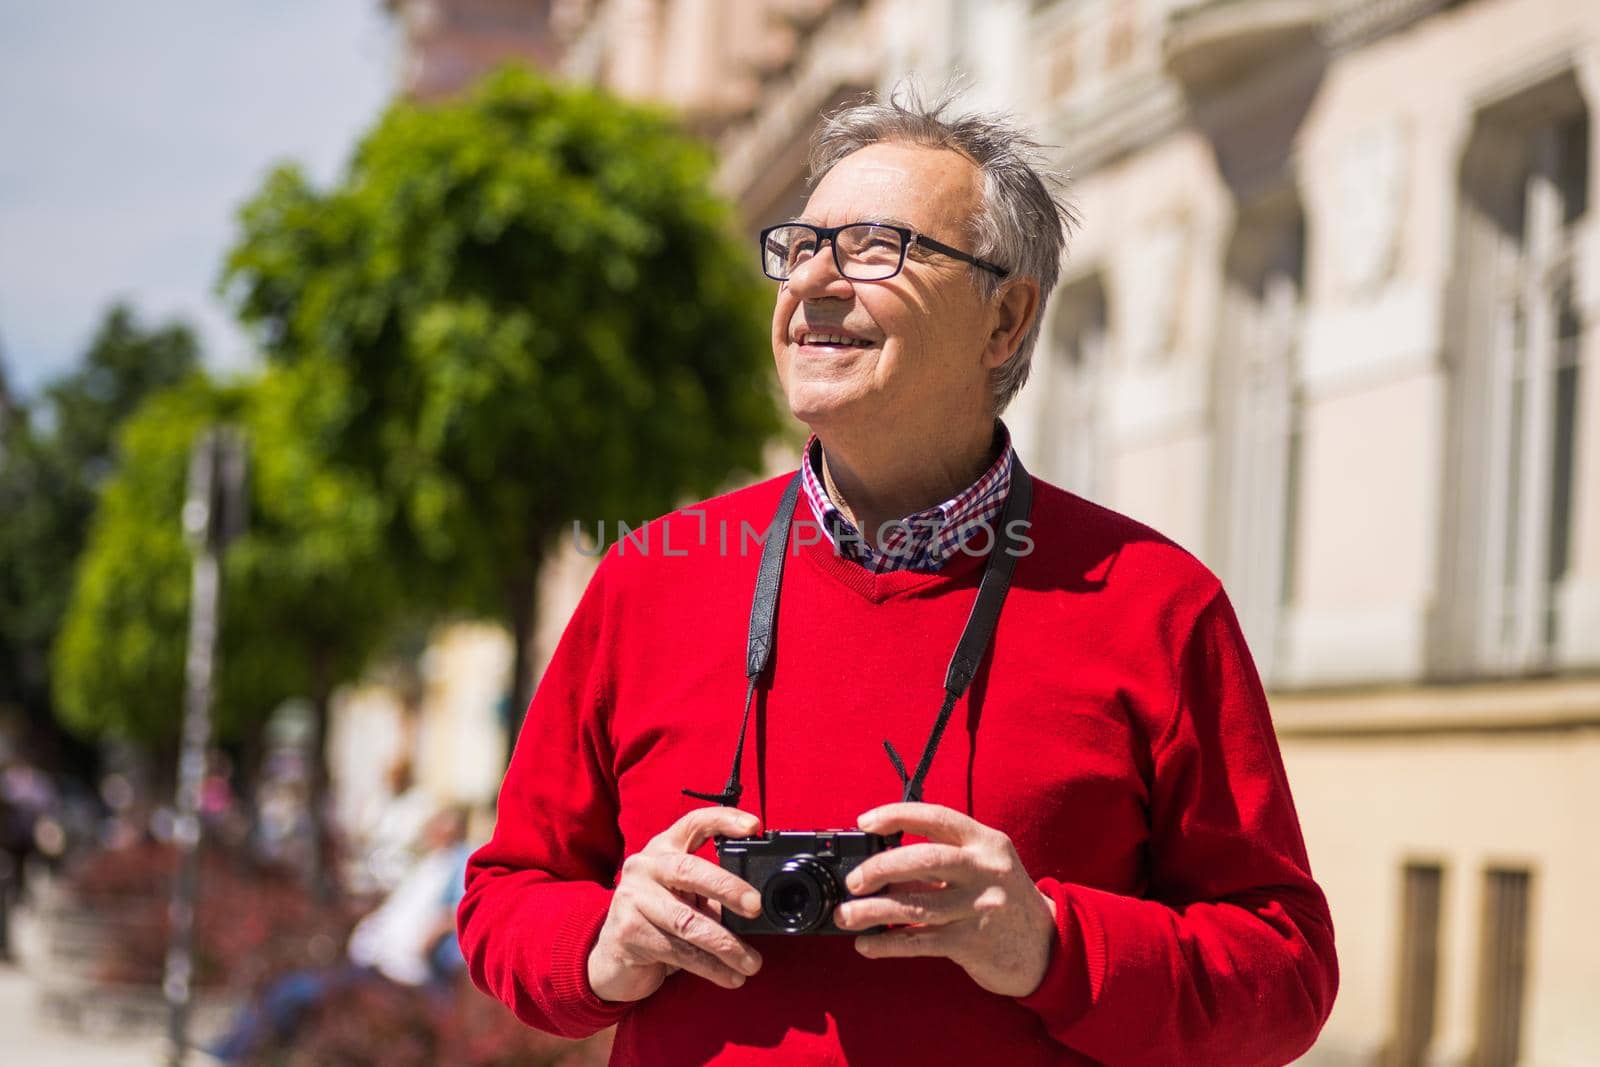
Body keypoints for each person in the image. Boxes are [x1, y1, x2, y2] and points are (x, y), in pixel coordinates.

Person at [459, 84, 1338, 1067]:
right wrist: (605, 944)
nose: (813, 284)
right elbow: (505, 898)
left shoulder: (1155, 603)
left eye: (874, 247)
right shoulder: (644, 582)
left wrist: (1047, 941)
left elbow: (1285, 974)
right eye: (799, 247)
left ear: (1004, 319)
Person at [209, 807, 472, 1063]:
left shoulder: (461, 863)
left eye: (441, 822)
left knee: (294, 993)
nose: (432, 828)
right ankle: (228, 1052)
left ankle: (228, 1056)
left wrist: (438, 928)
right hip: (372, 962)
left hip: (395, 976)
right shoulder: (430, 863)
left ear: (455, 828)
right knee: (284, 987)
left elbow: (468, 908)